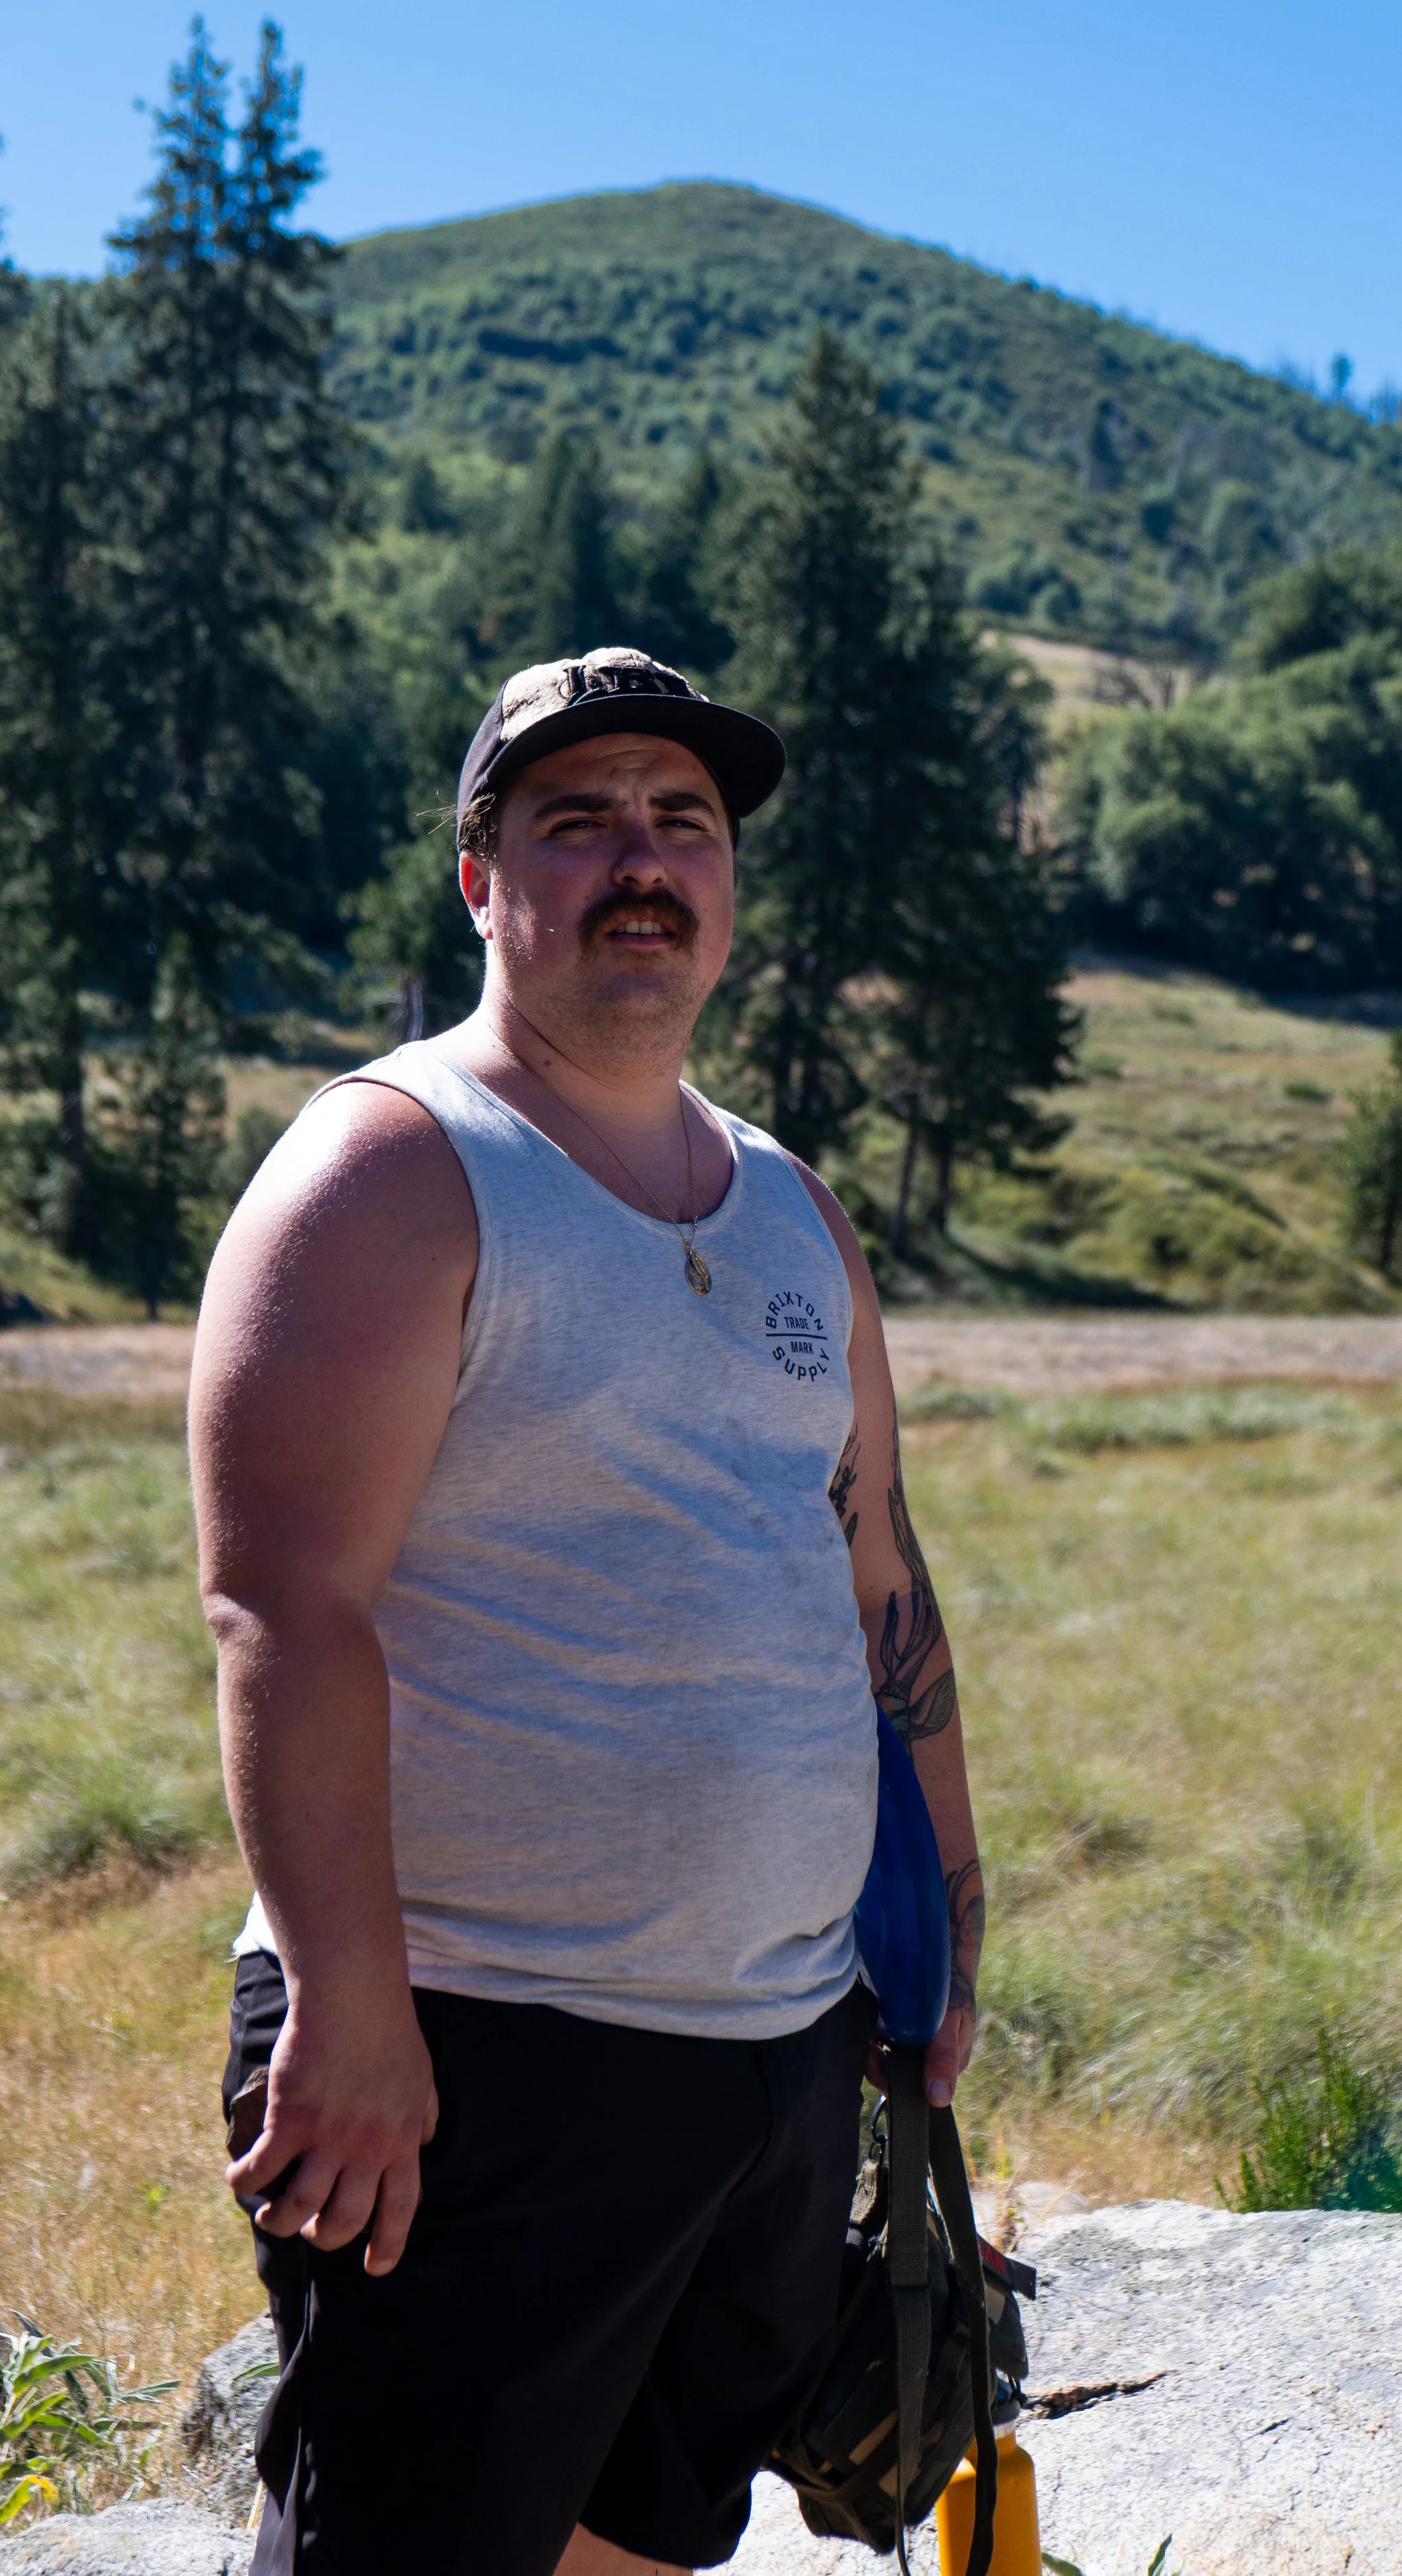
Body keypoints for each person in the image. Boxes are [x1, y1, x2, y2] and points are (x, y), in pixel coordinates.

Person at [188, 646, 986, 2576]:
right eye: (579, 820)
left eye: (681, 821)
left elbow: (878, 1574)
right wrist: (351, 2004)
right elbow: (283, 1603)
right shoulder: (395, 1168)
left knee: (642, 2548)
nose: (642, 858)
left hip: (779, 2040)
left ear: (727, 880)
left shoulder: (793, 1209)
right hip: (477, 2036)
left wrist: (944, 1929)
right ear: (481, 879)